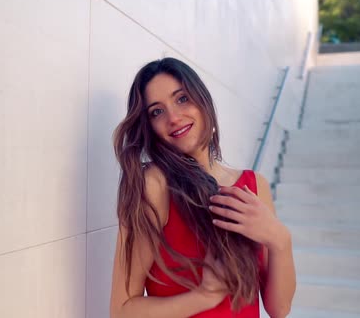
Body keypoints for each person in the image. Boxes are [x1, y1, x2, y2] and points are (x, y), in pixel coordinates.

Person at [109, 57, 296, 318]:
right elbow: (122, 310)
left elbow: (279, 308)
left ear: (202, 101)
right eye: (157, 111)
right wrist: (203, 297)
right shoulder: (154, 185)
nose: (173, 117)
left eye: (182, 98)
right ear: (148, 126)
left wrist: (281, 241)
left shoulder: (254, 185)